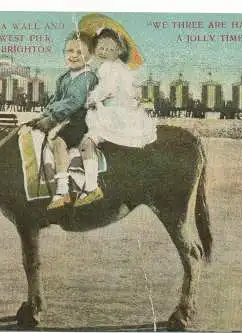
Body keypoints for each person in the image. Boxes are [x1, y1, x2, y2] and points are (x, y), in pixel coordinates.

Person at [74, 27, 157, 207]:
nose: (104, 52)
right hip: (128, 115)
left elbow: (106, 90)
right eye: (101, 48)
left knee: (87, 143)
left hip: (115, 117)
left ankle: (90, 187)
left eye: (109, 49)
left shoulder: (109, 68)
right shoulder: (121, 68)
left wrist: (89, 99)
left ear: (119, 51)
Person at [33, 31, 98, 210]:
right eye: (70, 51)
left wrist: (52, 118)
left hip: (82, 118)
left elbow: (74, 102)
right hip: (66, 118)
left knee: (60, 141)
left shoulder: (87, 77)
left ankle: (63, 190)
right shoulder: (64, 78)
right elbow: (56, 100)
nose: (74, 56)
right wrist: (44, 114)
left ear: (90, 56)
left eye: (79, 52)